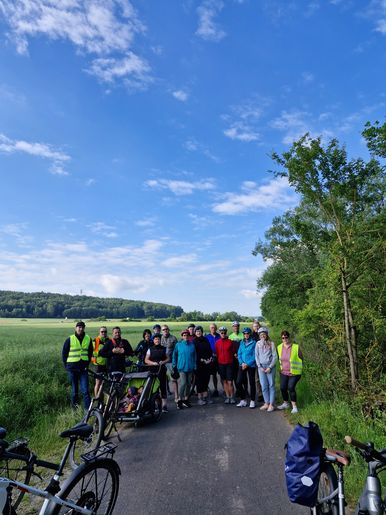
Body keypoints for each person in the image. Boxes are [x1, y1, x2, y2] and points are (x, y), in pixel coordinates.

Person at [62, 321, 93, 409]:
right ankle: (74, 409)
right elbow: (64, 353)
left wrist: (87, 363)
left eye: (82, 327)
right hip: (72, 369)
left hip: (83, 369)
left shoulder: (88, 339)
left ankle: (88, 411)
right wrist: (66, 366)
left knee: (85, 391)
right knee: (74, 391)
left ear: (84, 328)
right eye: (79, 327)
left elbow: (90, 352)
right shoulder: (70, 339)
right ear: (75, 328)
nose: (80, 328)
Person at [277, 330, 303, 414]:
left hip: (294, 373)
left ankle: (294, 407)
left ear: (289, 337)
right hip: (284, 372)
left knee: (291, 387)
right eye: (283, 338)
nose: (284, 339)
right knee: (283, 388)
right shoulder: (279, 347)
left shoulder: (296, 347)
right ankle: (285, 403)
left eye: (286, 337)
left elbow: (301, 358)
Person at [145, 333, 169, 412]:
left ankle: (164, 406)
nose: (157, 340)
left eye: (158, 339)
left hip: (161, 370)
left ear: (160, 340)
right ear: (153, 340)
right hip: (152, 370)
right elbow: (146, 360)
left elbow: (168, 359)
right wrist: (152, 363)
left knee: (163, 387)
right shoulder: (150, 349)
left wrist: (163, 362)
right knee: (153, 388)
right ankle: (155, 405)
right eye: (155, 339)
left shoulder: (164, 348)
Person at [172, 329, 197, 409]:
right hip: (181, 367)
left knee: (189, 384)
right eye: (184, 335)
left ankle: (186, 399)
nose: (186, 336)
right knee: (183, 383)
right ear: (182, 336)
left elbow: (195, 356)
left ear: (189, 336)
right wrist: (174, 365)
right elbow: (174, 355)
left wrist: (195, 365)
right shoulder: (178, 345)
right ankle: (179, 400)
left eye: (187, 335)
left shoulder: (192, 345)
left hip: (190, 367)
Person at [255, 327, 277, 412]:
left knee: (271, 385)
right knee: (264, 385)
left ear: (267, 335)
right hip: (261, 367)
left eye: (264, 334)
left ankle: (271, 404)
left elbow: (275, 357)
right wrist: (259, 366)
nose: (262, 336)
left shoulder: (271, 344)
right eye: (261, 334)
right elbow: (256, 356)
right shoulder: (257, 344)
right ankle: (266, 403)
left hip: (270, 367)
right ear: (259, 335)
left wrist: (270, 367)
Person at [236, 328, 257, 408]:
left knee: (252, 383)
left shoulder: (254, 343)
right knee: (238, 382)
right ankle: (243, 400)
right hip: (242, 365)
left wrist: (247, 364)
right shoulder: (241, 342)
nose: (246, 335)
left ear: (250, 334)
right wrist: (242, 363)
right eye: (244, 334)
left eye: (247, 333)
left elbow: (255, 355)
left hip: (251, 365)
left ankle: (252, 401)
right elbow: (239, 354)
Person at [215, 327, 236, 404]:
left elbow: (233, 352)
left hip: (229, 364)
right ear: (220, 334)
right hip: (221, 364)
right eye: (221, 333)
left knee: (230, 382)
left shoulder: (230, 342)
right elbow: (217, 354)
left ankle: (232, 396)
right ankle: (227, 397)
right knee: (224, 381)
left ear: (226, 333)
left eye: (224, 333)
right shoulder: (217, 343)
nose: (223, 334)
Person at [193, 326, 213, 405]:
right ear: (195, 332)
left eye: (199, 331)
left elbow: (209, 350)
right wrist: (202, 360)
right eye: (197, 331)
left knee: (206, 380)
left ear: (202, 332)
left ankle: (205, 397)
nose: (198, 332)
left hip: (207, 364)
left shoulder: (206, 339)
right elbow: (195, 354)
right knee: (199, 381)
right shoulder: (194, 341)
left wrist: (210, 358)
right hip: (199, 364)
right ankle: (200, 398)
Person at [160, 324, 178, 404]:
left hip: (171, 362)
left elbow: (177, 351)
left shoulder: (173, 338)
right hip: (162, 363)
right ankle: (162, 399)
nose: (165, 330)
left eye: (166, 329)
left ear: (168, 329)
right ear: (161, 331)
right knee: (161, 380)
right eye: (163, 329)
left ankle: (176, 397)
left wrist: (175, 362)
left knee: (174, 380)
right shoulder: (159, 338)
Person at [91, 326, 110, 397]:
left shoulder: (109, 340)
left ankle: (101, 397)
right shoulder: (96, 340)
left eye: (105, 331)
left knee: (103, 383)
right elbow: (95, 352)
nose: (103, 333)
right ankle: (96, 398)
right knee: (98, 383)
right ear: (99, 332)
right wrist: (104, 352)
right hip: (98, 364)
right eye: (102, 331)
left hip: (106, 364)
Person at [229, 321, 246, 397]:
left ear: (239, 327)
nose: (236, 327)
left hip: (242, 358)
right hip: (234, 358)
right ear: (232, 327)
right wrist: (233, 354)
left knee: (244, 376)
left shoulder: (243, 335)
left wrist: (241, 355)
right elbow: (230, 348)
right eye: (234, 326)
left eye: (237, 326)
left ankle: (245, 390)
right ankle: (238, 390)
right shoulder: (230, 336)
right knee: (236, 376)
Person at [205, 323, 220, 397]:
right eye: (211, 328)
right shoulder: (207, 337)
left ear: (216, 328)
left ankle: (216, 389)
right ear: (209, 328)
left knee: (220, 375)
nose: (213, 329)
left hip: (219, 358)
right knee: (211, 374)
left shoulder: (219, 336)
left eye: (214, 327)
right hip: (210, 359)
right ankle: (207, 390)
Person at [251, 320, 264, 402]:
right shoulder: (251, 336)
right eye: (255, 326)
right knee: (257, 379)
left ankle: (265, 393)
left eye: (258, 326)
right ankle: (259, 394)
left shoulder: (262, 335)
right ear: (253, 327)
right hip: (254, 359)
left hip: (263, 359)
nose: (256, 328)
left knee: (263, 378)